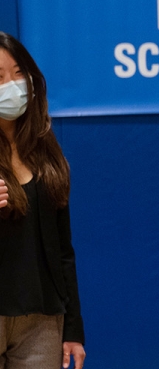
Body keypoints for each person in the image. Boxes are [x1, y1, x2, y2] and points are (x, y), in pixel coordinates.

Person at [0, 32, 85, 369]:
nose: (12, 85)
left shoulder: (45, 148)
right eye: (0, 77)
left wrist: (73, 328)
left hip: (42, 320)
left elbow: (64, 250)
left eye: (19, 73)